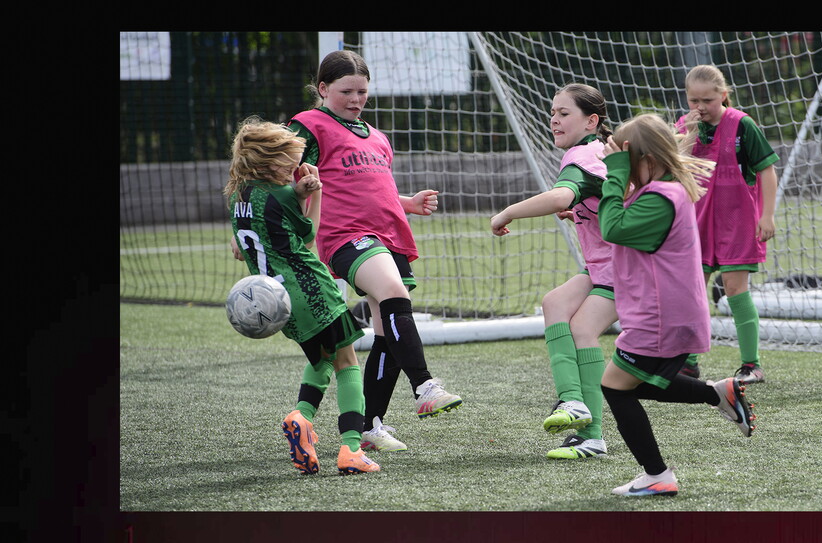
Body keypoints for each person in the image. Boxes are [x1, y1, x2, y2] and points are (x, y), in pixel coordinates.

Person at [286, 50, 461, 453]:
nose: (356, 98)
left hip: (388, 236)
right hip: (346, 236)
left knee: (388, 331)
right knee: (395, 298)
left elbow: (369, 188)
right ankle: (425, 388)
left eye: (362, 91)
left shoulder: (377, 136)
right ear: (323, 89)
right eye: (346, 91)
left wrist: (408, 203)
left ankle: (370, 425)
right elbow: (278, 173)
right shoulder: (307, 126)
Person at [596, 113, 756, 497]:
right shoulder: (657, 192)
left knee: (616, 388)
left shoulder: (661, 197)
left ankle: (658, 475)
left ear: (647, 161)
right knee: (633, 384)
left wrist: (615, 173)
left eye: (626, 160)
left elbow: (613, 227)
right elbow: (619, 226)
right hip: (661, 316)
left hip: (660, 319)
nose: (620, 168)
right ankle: (718, 393)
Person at [224, 117, 380, 476]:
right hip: (311, 288)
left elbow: (260, 227)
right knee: (347, 363)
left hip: (278, 301)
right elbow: (310, 235)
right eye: (287, 162)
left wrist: (295, 192)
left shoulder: (239, 197)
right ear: (266, 162)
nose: (294, 168)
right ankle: (352, 449)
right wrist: (315, 193)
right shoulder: (280, 194)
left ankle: (302, 417)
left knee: (324, 357)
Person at [490, 83, 616, 460]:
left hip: (628, 269)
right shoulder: (597, 150)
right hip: (607, 266)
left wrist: (507, 212)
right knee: (554, 303)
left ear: (591, 120)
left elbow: (563, 195)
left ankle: (590, 432)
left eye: (564, 113)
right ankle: (574, 401)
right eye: (553, 113)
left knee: (582, 328)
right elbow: (598, 197)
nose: (554, 120)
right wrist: (583, 208)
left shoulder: (581, 155)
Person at [675, 64, 780, 384]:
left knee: (735, 291)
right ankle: (688, 362)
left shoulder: (742, 124)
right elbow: (672, 163)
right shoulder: (684, 126)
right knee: (692, 291)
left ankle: (752, 365)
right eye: (694, 100)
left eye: (707, 100)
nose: (700, 107)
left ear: (723, 96)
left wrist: (767, 215)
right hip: (697, 222)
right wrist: (687, 131)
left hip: (738, 221)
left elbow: (766, 170)